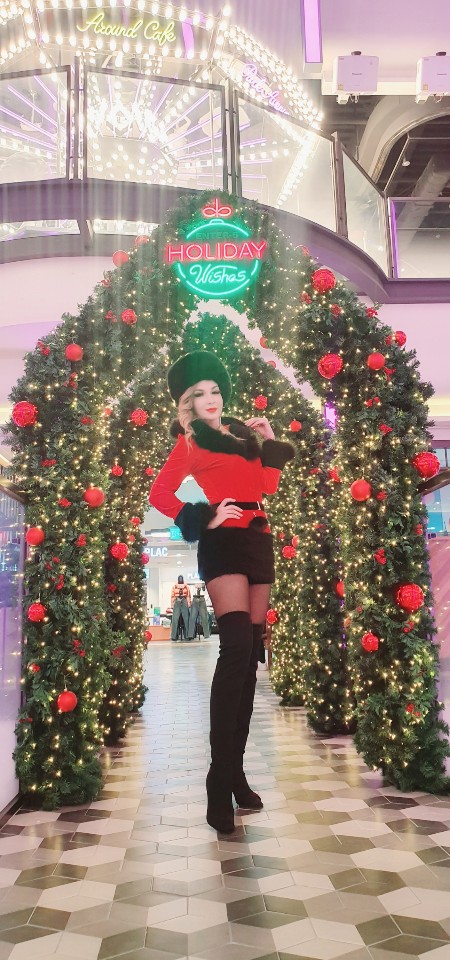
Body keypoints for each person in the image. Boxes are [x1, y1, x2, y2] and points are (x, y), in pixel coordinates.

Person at [149, 350, 294, 833]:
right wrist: (205, 515)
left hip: (258, 538)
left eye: (215, 390)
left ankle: (236, 772)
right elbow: (159, 493)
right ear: (187, 402)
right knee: (234, 648)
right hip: (223, 542)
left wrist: (268, 441)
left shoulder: (243, 434)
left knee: (251, 653)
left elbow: (266, 486)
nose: (210, 399)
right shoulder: (190, 440)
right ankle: (218, 776)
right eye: (199, 393)